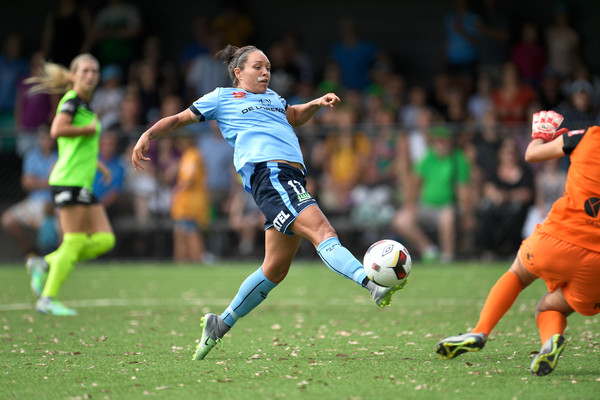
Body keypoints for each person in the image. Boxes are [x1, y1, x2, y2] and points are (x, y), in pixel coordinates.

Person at [131, 44, 404, 360]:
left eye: (269, 68)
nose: (265, 73)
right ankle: (371, 284)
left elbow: (293, 115)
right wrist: (148, 133)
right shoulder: (221, 97)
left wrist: (315, 103)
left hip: (289, 178)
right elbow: (179, 120)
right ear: (238, 72)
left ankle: (220, 323)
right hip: (270, 174)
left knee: (274, 269)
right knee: (323, 231)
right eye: (258, 67)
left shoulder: (274, 99)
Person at [435, 110, 600, 376]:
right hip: (597, 268)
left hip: (558, 238)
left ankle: (480, 332)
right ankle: (551, 341)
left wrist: (541, 135)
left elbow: (533, 154)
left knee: (518, 275)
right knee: (549, 307)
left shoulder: (586, 137)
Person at [24, 54, 115, 316]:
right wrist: (87, 131)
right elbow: (57, 130)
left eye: (95, 71)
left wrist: (99, 165)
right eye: (85, 71)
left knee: (104, 240)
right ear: (73, 75)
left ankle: (45, 263)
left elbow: (76, 147)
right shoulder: (73, 101)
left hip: (81, 182)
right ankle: (47, 299)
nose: (91, 75)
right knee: (74, 242)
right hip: (69, 181)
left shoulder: (85, 105)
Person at [1, 126, 58, 256]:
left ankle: (57, 257)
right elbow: (27, 183)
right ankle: (31, 251)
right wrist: (49, 181)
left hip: (54, 203)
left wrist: (38, 182)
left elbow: (59, 184)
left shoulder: (59, 156)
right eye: (42, 137)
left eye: (48, 137)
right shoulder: (32, 156)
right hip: (34, 202)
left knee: (57, 228)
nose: (45, 140)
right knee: (7, 220)